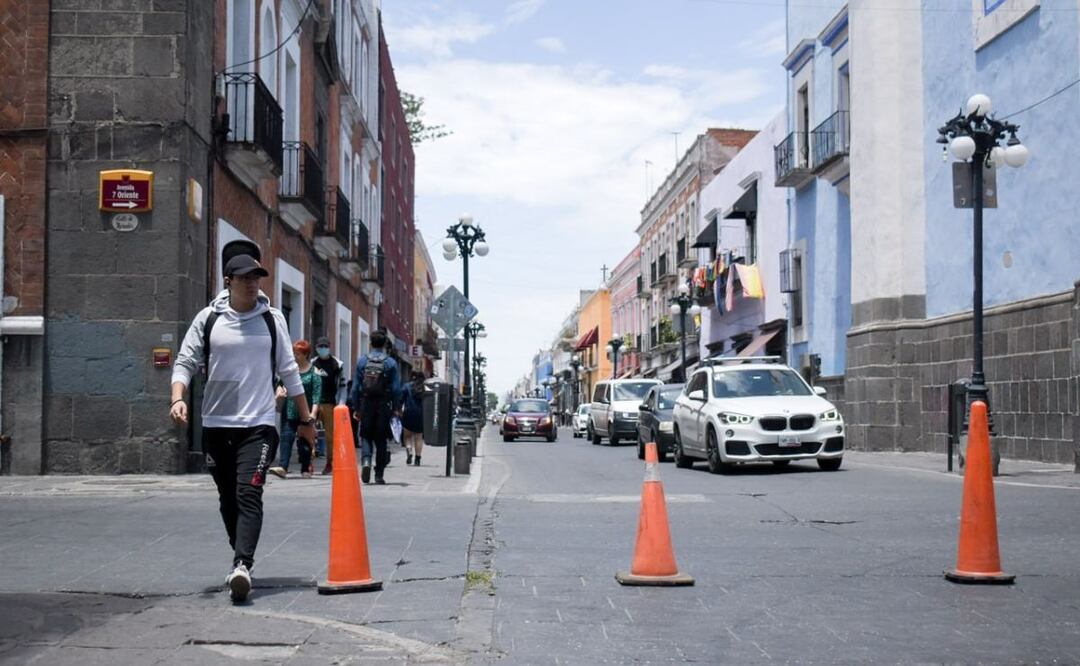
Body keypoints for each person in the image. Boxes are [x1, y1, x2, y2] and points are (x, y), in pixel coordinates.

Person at [170, 254, 316, 603]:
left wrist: (306, 419)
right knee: (227, 498)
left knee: (249, 492)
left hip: (259, 423)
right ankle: (241, 552)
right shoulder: (209, 319)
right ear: (228, 280)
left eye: (257, 277)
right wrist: (178, 397)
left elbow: (288, 370)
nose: (253, 283)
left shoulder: (271, 319)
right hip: (217, 424)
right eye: (245, 277)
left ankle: (242, 564)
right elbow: (186, 360)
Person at [349, 329, 401, 485]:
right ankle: (379, 474)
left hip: (366, 404)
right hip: (384, 405)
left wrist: (356, 407)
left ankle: (365, 462)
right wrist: (396, 408)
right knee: (381, 439)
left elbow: (355, 387)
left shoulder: (362, 361)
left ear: (370, 343)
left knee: (365, 436)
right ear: (385, 344)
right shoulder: (391, 363)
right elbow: (396, 388)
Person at [269, 341, 321, 479]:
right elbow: (280, 384)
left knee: (305, 442)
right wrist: (279, 392)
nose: (294, 356)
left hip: (306, 411)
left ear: (305, 355)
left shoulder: (314, 372)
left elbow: (317, 395)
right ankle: (283, 467)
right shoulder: (290, 371)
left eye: (297, 354)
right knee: (286, 438)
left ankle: (305, 468)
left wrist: (313, 413)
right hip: (289, 409)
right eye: (293, 353)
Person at [312, 336, 347, 474]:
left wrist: (341, 404)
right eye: (320, 347)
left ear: (329, 347)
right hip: (314, 402)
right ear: (316, 348)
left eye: (324, 347)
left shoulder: (337, 364)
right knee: (310, 433)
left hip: (330, 403)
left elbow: (343, 385)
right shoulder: (313, 363)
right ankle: (308, 463)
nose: (322, 349)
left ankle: (330, 462)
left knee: (330, 436)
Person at [401, 371, 426, 466]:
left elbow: (401, 398)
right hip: (421, 414)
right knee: (419, 437)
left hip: (408, 413)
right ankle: (418, 459)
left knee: (407, 436)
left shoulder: (407, 386)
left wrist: (398, 409)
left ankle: (409, 451)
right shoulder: (425, 387)